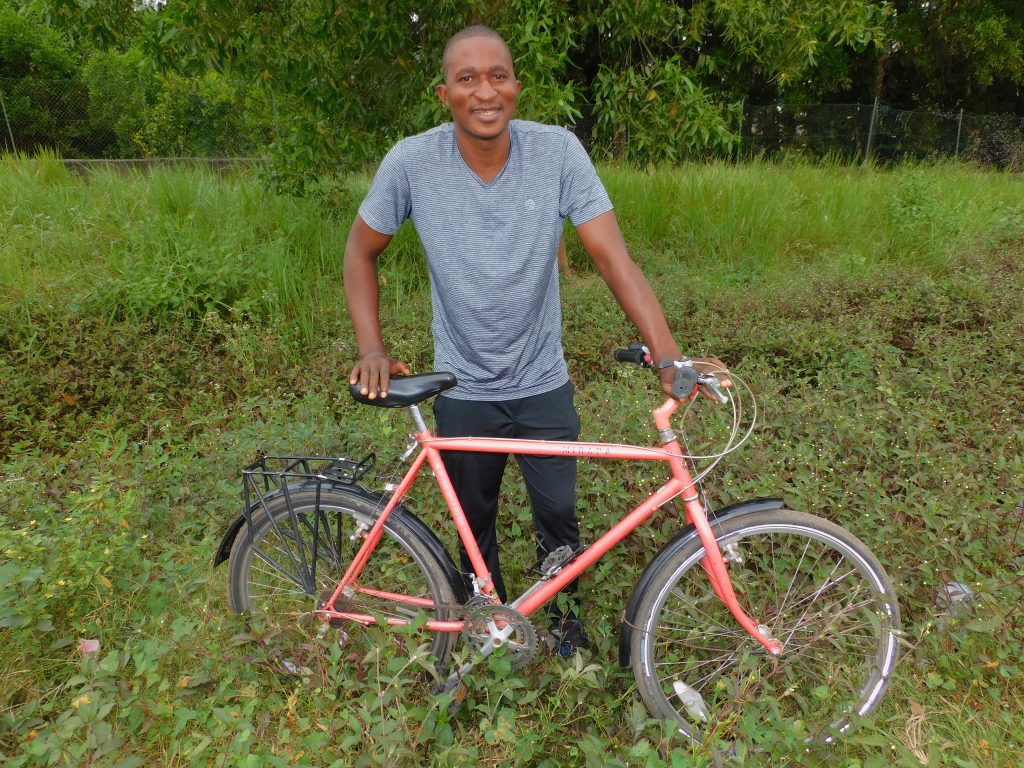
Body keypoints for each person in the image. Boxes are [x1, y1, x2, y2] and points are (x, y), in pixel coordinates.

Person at [344, 24, 728, 656]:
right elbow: (361, 252)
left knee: (558, 516)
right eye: (467, 79)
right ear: (445, 94)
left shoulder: (557, 154)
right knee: (475, 523)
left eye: (498, 76)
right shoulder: (412, 162)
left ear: (516, 87)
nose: (484, 92)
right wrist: (372, 347)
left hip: (543, 382)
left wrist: (667, 354)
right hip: (462, 385)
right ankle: (482, 623)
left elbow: (614, 260)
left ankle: (564, 621)